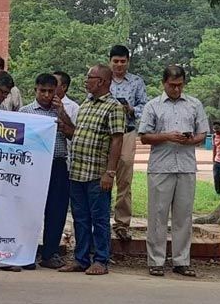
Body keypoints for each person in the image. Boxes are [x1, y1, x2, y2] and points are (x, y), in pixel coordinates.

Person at [138, 65, 208, 277]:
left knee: (184, 216)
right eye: (172, 85)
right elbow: (144, 136)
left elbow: (202, 134)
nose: (176, 90)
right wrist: (167, 136)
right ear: (164, 83)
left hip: (186, 166)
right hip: (161, 165)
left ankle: (181, 260)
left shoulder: (194, 104)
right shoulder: (153, 106)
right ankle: (156, 260)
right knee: (158, 214)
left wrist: (189, 140)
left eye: (180, 85)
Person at [59, 65, 124, 276]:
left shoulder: (113, 107)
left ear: (102, 82)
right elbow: (76, 134)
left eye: (90, 78)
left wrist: (110, 172)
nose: (86, 81)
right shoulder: (86, 103)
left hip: (97, 174)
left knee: (100, 219)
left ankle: (101, 260)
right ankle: (81, 258)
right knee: (80, 218)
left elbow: (117, 140)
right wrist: (62, 115)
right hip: (77, 171)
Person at [21, 74, 75, 269]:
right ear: (35, 89)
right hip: (34, 166)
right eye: (42, 91)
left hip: (58, 164)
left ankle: (50, 253)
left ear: (57, 91)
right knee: (31, 210)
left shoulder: (61, 111)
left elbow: (73, 133)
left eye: (50, 91)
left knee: (57, 210)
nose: (46, 95)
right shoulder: (25, 111)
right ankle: (26, 253)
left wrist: (62, 115)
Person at [107, 44, 147, 241]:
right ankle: (98, 220)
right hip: (104, 134)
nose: (119, 65)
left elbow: (144, 106)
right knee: (101, 176)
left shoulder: (137, 82)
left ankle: (122, 223)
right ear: (110, 62)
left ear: (128, 62)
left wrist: (131, 109)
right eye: (116, 61)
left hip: (127, 131)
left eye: (123, 61)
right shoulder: (103, 79)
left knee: (124, 177)